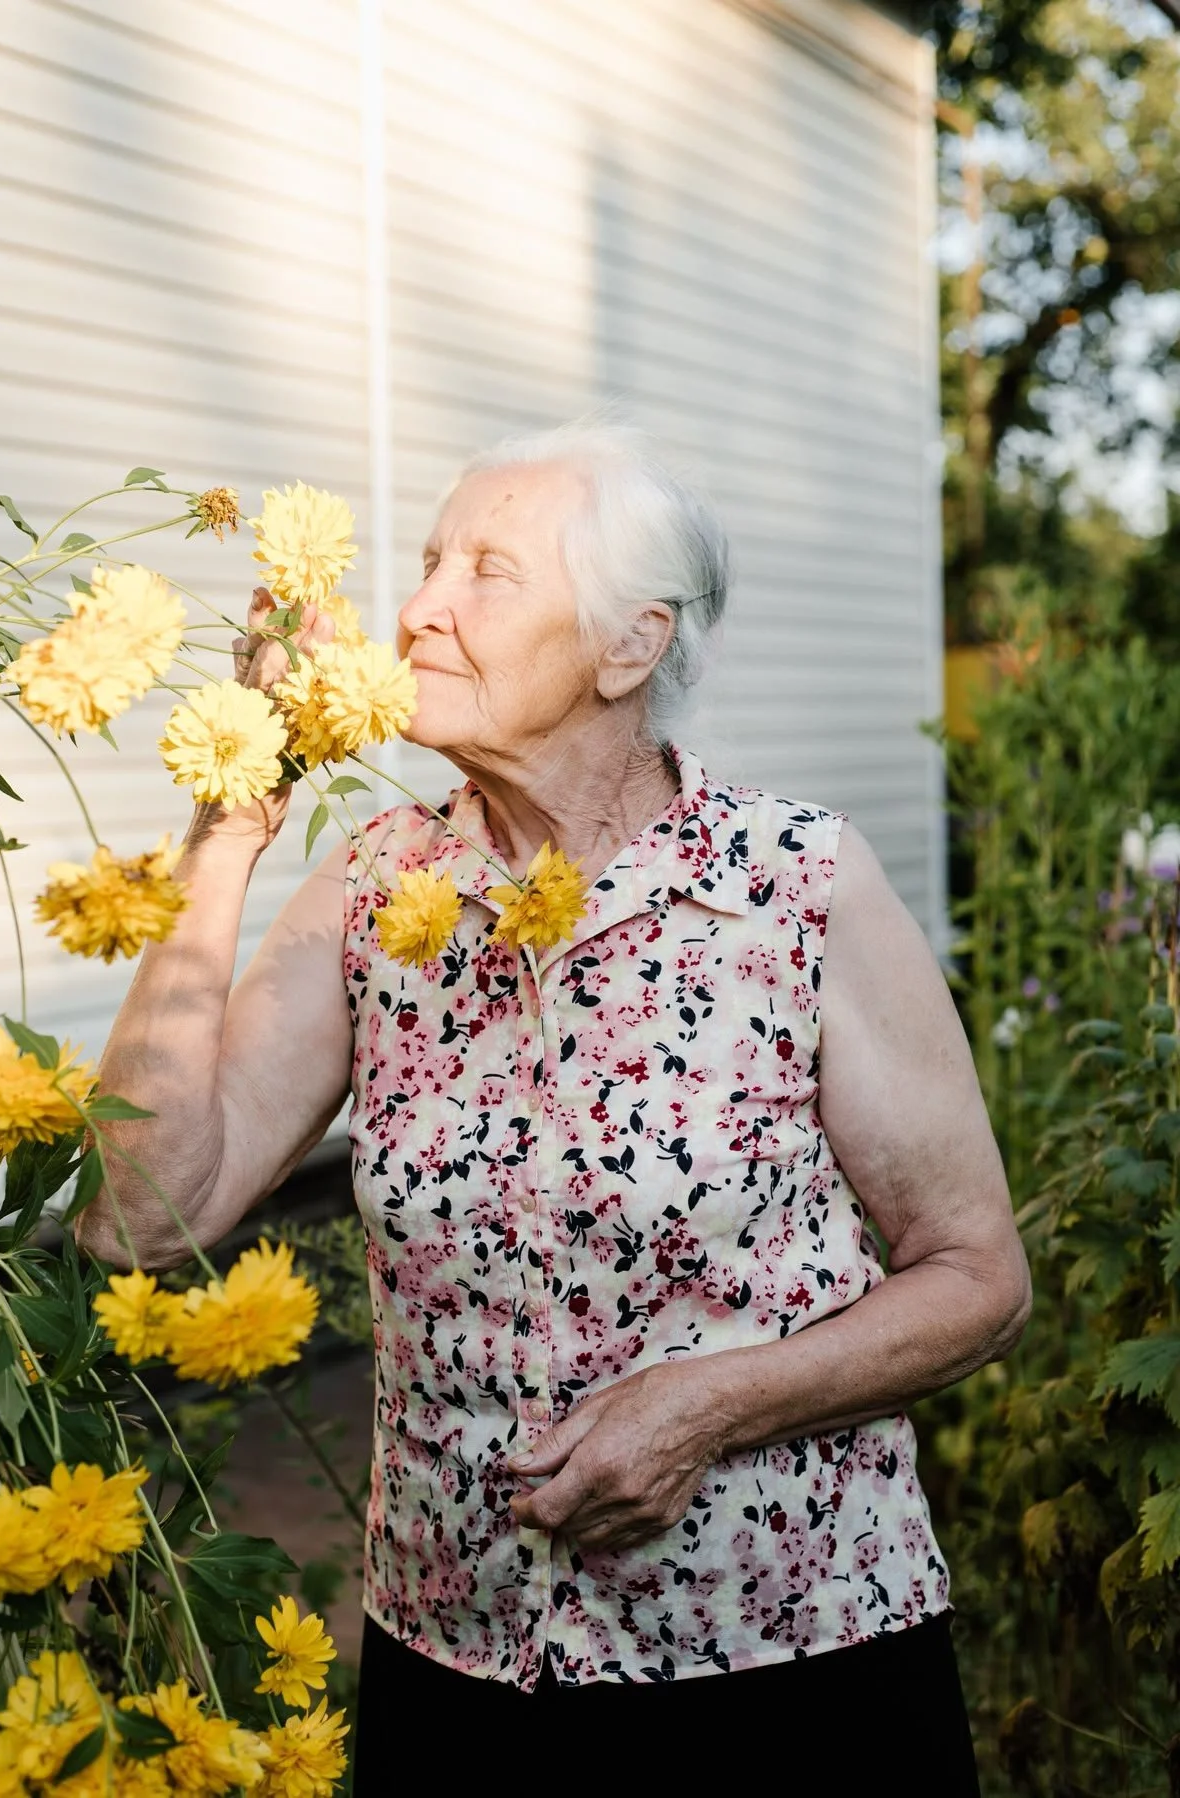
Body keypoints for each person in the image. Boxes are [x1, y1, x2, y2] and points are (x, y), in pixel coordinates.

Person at [79, 423, 1029, 1791]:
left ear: (626, 646)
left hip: (787, 1665)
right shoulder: (373, 886)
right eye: (424, 564)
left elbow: (978, 1277)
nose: (417, 606)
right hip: (460, 1668)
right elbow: (134, 1216)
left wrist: (712, 1403)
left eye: (487, 570)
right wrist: (234, 814)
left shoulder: (796, 885)